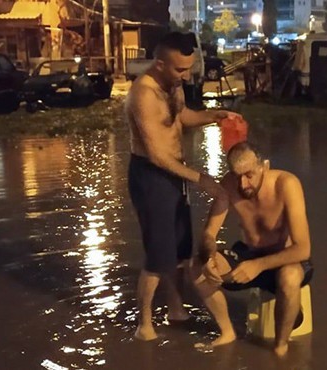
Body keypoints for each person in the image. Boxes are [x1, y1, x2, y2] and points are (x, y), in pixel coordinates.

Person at [125, 32, 241, 341]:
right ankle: (144, 326)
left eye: (189, 68)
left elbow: (182, 117)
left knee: (180, 251)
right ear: (160, 63)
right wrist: (201, 178)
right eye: (180, 70)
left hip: (175, 175)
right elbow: (156, 155)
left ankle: (176, 310)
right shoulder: (143, 94)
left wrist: (213, 116)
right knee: (157, 255)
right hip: (151, 176)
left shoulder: (172, 85)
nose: (186, 75)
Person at [191, 142, 313, 356]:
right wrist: (209, 256)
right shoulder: (229, 185)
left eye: (249, 175)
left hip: (283, 257)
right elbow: (209, 234)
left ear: (264, 166)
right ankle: (227, 332)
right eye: (237, 175)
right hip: (249, 252)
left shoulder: (287, 184)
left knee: (291, 276)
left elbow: (303, 249)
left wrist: (258, 265)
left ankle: (280, 347)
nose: (243, 183)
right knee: (197, 268)